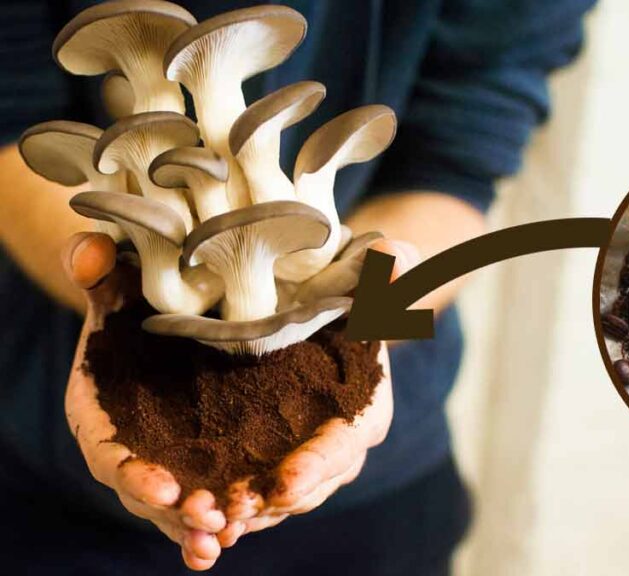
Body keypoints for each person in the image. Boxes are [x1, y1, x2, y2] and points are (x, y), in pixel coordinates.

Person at [0, 0, 593, 573]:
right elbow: (10, 119)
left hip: (378, 518)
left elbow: (459, 159)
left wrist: (365, 322)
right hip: (55, 488)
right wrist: (118, 293)